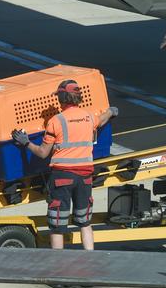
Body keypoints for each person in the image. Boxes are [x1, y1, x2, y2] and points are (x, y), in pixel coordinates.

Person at [12, 80, 118, 251]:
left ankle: (58, 263)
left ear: (61, 98)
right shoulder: (89, 117)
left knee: (57, 225)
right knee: (85, 222)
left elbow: (42, 153)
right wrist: (111, 111)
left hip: (62, 177)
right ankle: (90, 259)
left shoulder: (56, 121)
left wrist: (25, 143)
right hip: (85, 177)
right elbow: (102, 119)